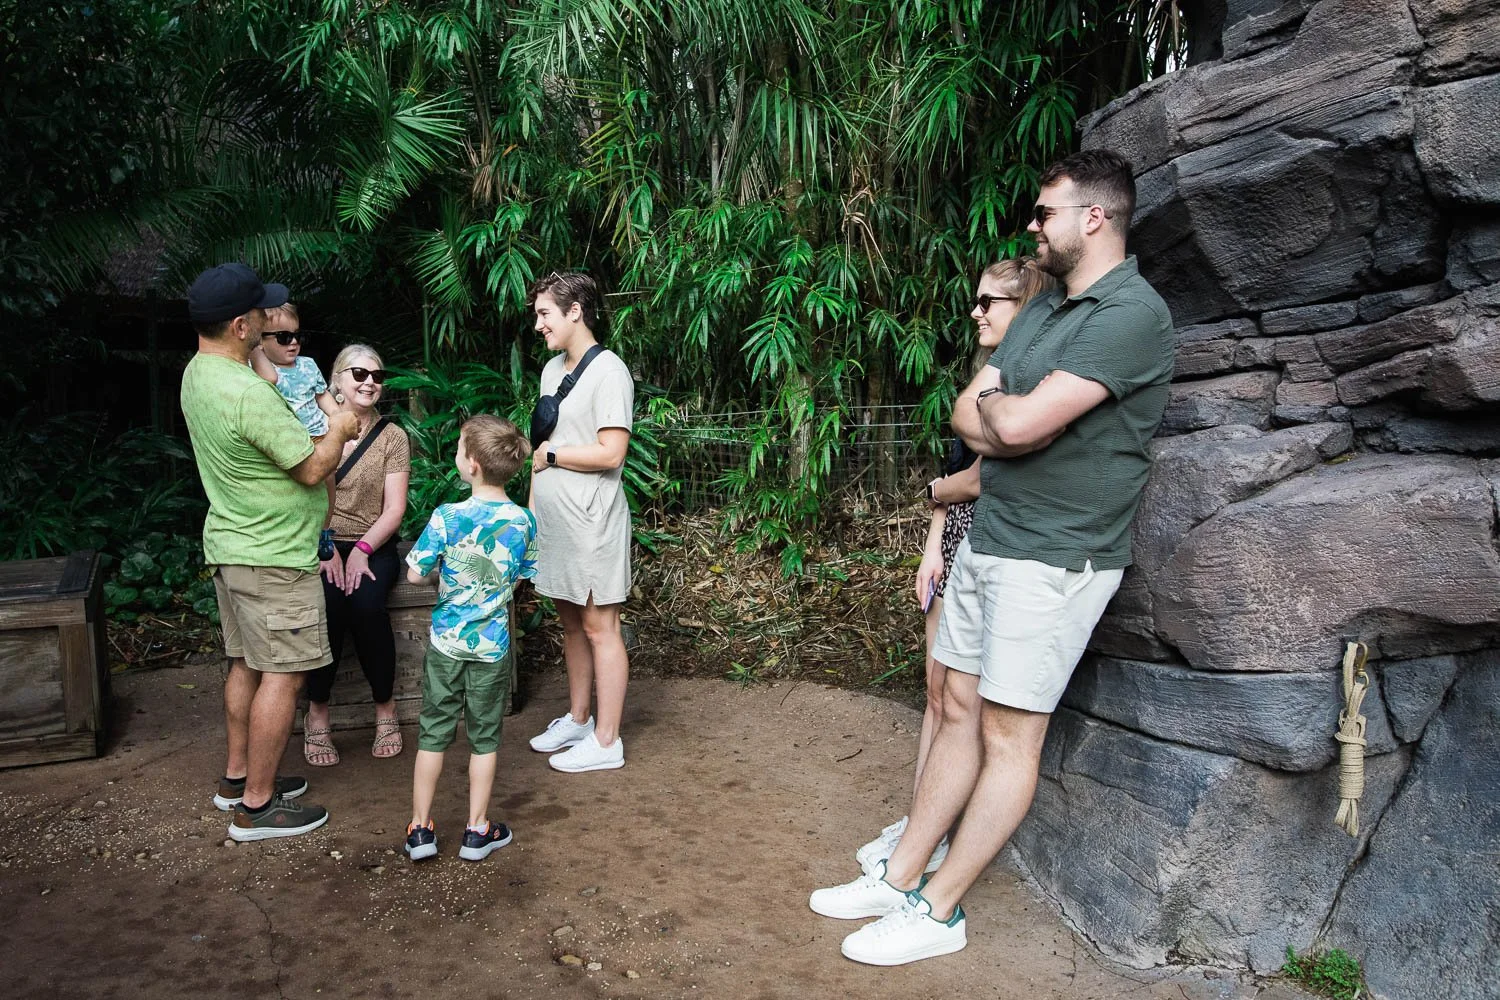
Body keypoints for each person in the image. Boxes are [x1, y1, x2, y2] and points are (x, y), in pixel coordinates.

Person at [809, 149, 1176, 965]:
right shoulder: (1045, 311)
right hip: (997, 538)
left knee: (1011, 735)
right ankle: (904, 874)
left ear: (1096, 217)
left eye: (1045, 212)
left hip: (1056, 557)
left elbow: (1003, 426)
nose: (1032, 225)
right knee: (955, 710)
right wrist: (1006, 414)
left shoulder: (1132, 314)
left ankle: (940, 911)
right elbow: (968, 412)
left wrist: (1004, 414)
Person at [855, 258, 1057, 879]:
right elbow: (956, 474)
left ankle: (935, 834)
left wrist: (943, 494)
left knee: (964, 700)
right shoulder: (986, 377)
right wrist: (932, 541)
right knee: (938, 692)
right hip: (956, 542)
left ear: (1025, 309)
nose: (977, 311)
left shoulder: (1038, 380)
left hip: (999, 542)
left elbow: (982, 476)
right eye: (978, 300)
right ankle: (923, 818)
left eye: (991, 302)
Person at [180, 262, 359, 841]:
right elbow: (311, 467)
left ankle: (238, 777)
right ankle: (257, 808)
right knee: (283, 673)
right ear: (239, 325)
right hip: (273, 554)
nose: (268, 319)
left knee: (246, 664)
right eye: (260, 313)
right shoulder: (245, 392)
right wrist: (342, 427)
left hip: (234, 544)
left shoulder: (196, 374)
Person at [403, 415, 537, 862]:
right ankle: (477, 830)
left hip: (446, 645)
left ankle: (420, 829)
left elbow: (415, 573)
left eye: (460, 449)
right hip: (492, 647)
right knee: (485, 737)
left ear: (473, 464)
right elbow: (523, 577)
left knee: (433, 733)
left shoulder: (447, 517)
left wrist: (442, 578)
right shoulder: (523, 522)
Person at [524, 272, 635, 773]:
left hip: (592, 520)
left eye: (545, 313)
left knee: (599, 625)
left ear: (575, 312)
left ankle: (607, 741)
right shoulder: (551, 372)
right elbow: (536, 453)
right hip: (556, 520)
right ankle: (579, 717)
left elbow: (612, 452)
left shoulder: (609, 371)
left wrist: (552, 455)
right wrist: (529, 509)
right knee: (570, 622)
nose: (538, 324)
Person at [301, 344, 412, 765]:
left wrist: (362, 549)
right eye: (360, 374)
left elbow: (395, 508)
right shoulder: (311, 428)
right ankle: (318, 714)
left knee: (366, 605)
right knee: (326, 605)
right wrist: (325, 546)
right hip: (320, 540)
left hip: (372, 542)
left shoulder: (392, 437)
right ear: (337, 382)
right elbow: (302, 498)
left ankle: (385, 707)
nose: (370, 382)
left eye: (377, 376)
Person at [248, 302, 339, 552]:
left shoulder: (308, 365)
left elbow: (322, 396)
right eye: (283, 337)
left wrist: (337, 418)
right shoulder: (259, 368)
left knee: (328, 479)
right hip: (287, 440)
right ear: (260, 341)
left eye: (297, 335)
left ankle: (323, 530)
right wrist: (257, 351)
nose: (293, 343)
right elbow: (270, 379)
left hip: (318, 436)